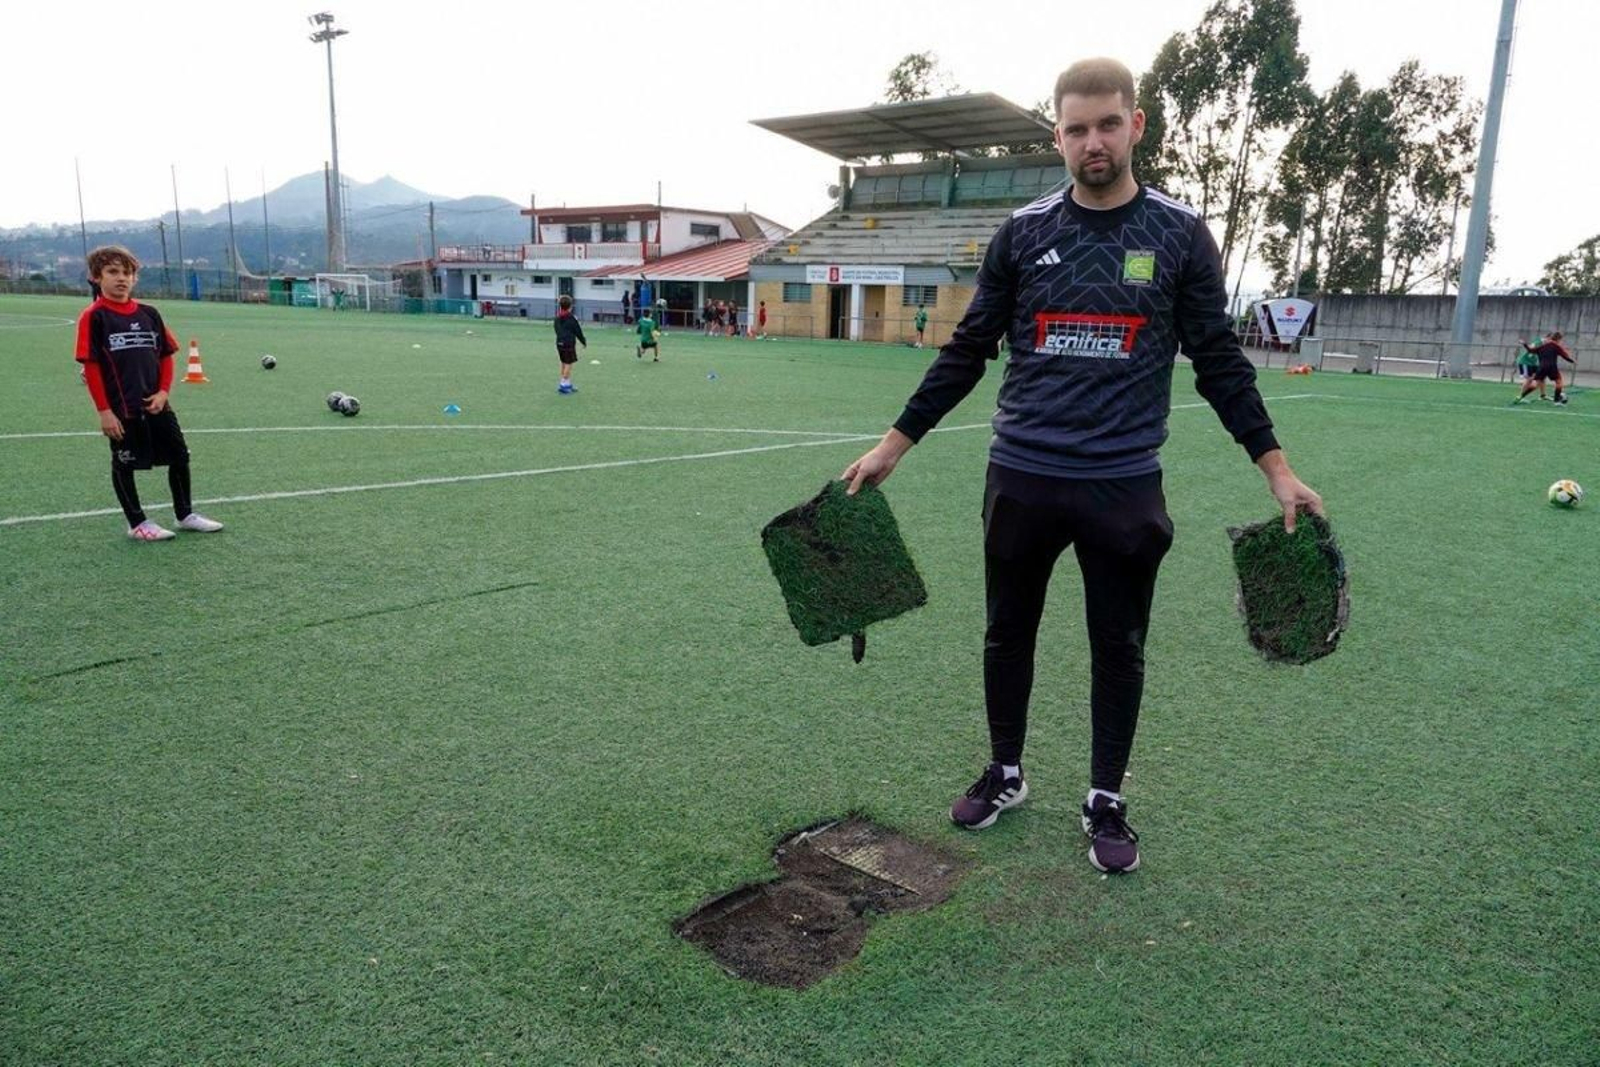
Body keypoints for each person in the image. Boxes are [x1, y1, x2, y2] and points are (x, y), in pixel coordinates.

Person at [840, 58, 1323, 874]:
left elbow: (1219, 361)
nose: (1092, 142)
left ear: (1136, 125)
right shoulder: (1024, 233)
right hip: (1021, 474)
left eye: (1106, 124)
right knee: (1006, 631)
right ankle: (1005, 770)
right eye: (1075, 129)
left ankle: (1105, 796)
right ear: (1057, 137)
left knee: (1119, 644)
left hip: (1122, 482)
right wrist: (896, 443)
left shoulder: (1178, 234)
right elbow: (968, 348)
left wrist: (1275, 468)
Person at [75, 245, 224, 541]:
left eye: (127, 273)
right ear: (96, 277)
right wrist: (104, 412)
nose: (122, 278)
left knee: (179, 455)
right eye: (113, 272)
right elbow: (90, 367)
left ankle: (185, 514)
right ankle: (137, 523)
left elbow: (166, 355)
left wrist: (163, 392)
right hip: (121, 408)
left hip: (156, 404)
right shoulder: (94, 317)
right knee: (124, 463)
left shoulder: (149, 313)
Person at [1513, 331, 1575, 405]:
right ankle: (1557, 401)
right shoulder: (1554, 345)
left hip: (1541, 367)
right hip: (1548, 366)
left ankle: (1522, 397)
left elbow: (1530, 350)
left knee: (1536, 383)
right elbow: (1564, 355)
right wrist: (1572, 361)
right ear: (1558, 339)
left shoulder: (1543, 346)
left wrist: (1525, 344)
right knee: (1558, 382)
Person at [553, 293, 587, 394]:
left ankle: (567, 383)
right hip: (568, 343)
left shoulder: (557, 317)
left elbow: (556, 330)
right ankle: (563, 385)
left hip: (559, 343)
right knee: (568, 364)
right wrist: (583, 341)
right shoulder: (572, 318)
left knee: (564, 362)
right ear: (570, 306)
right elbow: (578, 331)